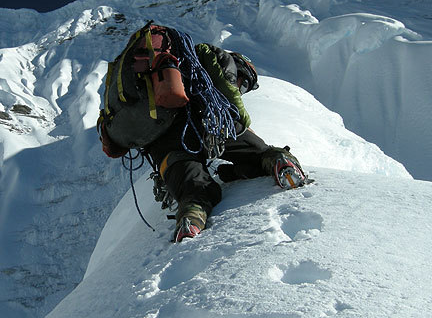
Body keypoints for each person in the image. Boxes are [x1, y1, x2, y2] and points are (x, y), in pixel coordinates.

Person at [98, 24, 308, 242]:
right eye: (243, 85)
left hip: (163, 142)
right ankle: (281, 162)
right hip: (206, 120)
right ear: (240, 68)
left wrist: (228, 174)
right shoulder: (213, 57)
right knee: (258, 153)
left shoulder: (154, 75)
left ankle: (192, 219)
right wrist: (241, 121)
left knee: (192, 189)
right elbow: (229, 95)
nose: (241, 89)